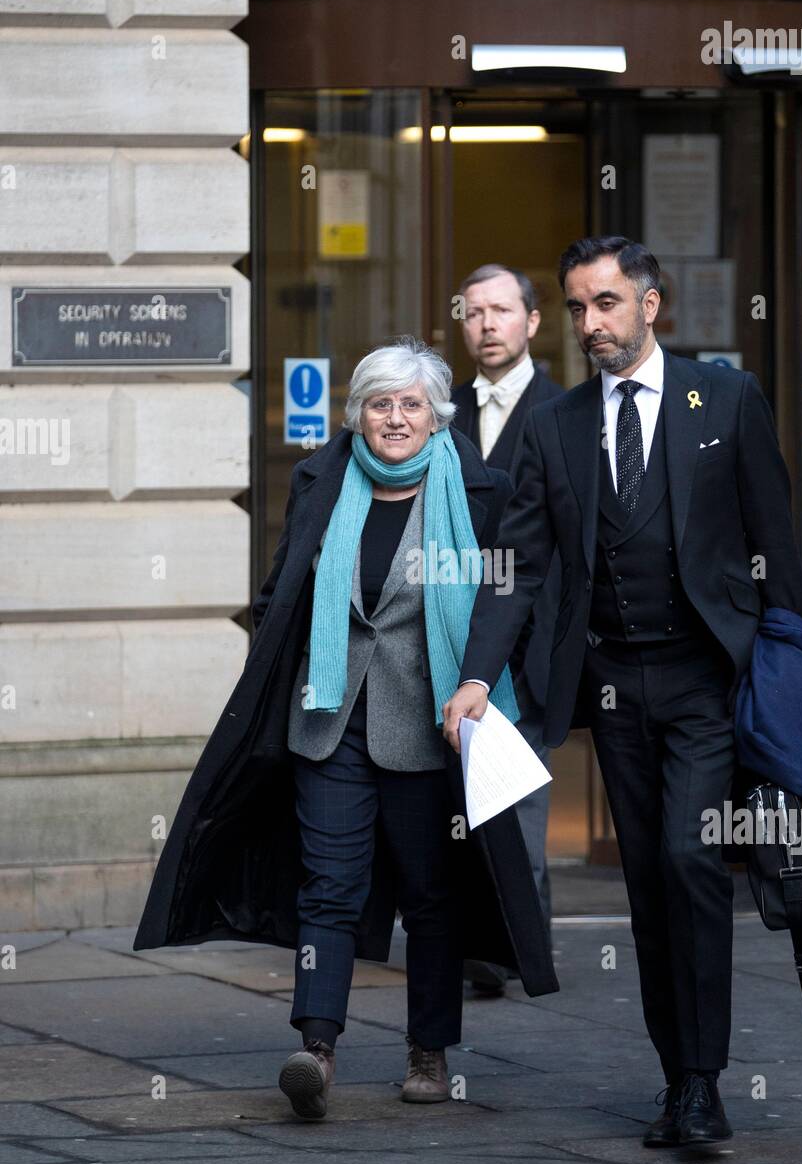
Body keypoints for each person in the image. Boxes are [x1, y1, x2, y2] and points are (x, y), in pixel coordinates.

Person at [442, 236, 802, 1148]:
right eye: (575, 307)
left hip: (705, 681)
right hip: (613, 688)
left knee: (692, 861)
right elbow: (517, 563)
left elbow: (777, 547)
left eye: (605, 303)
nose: (589, 324)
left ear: (651, 304)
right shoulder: (557, 423)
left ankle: (705, 1081)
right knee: (649, 882)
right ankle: (678, 1079)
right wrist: (479, 672)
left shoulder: (722, 398)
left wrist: (795, 675)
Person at [133, 337, 558, 1122]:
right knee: (326, 888)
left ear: (437, 416)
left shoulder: (480, 490)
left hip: (432, 729)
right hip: (328, 720)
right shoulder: (322, 480)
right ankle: (316, 1047)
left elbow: (510, 607)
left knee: (431, 899)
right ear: (356, 413)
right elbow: (282, 589)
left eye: (411, 404)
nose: (395, 418)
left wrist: (483, 689)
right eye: (379, 403)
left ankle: (428, 1050)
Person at [450, 264, 563, 995]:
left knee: (518, 798)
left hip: (533, 634)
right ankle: (471, 947)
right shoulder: (440, 409)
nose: (487, 324)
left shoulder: (566, 409)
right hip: (453, 625)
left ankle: (525, 945)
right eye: (473, 313)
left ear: (532, 321)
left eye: (502, 310)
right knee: (458, 796)